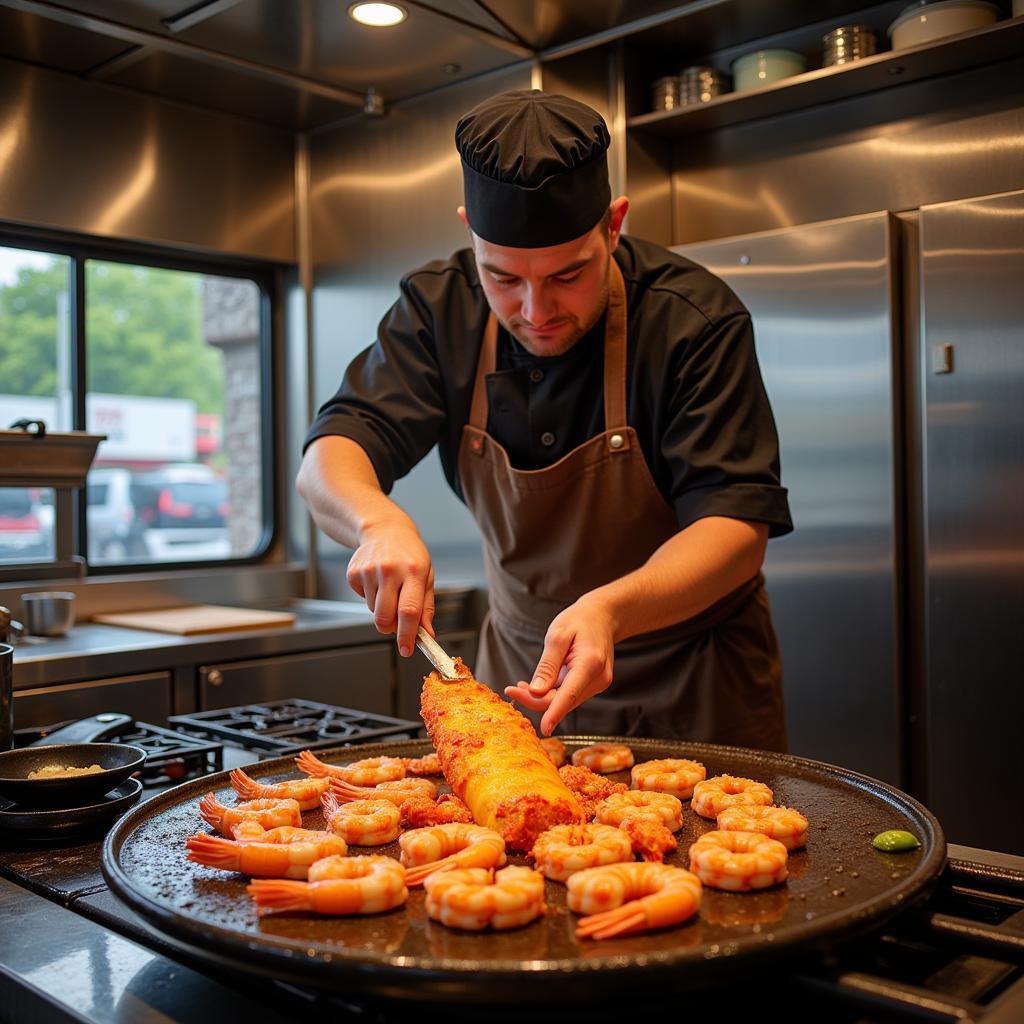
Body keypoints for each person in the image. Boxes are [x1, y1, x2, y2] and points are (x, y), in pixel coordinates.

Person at [297, 89, 793, 749]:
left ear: (613, 225)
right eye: (503, 278)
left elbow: (734, 530)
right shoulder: (440, 308)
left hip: (692, 687)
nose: (535, 311)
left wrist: (611, 610)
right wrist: (377, 524)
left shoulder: (692, 320)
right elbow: (330, 456)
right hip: (519, 686)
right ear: (469, 228)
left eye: (568, 275)